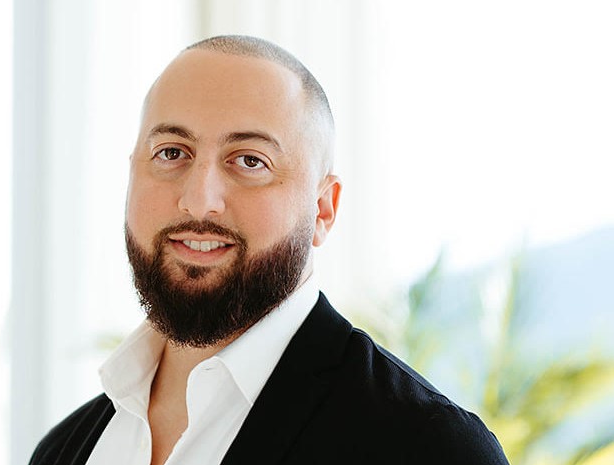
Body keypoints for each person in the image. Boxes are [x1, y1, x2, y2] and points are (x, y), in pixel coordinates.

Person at [29, 35, 509, 465]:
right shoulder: (63, 451)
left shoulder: (430, 448)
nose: (199, 199)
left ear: (323, 209)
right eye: (172, 152)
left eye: (249, 160)